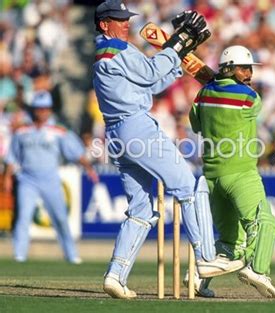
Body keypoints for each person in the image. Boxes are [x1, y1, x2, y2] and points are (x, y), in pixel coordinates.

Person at [92, 1, 243, 299]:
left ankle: (115, 275)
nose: (125, 24)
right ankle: (206, 259)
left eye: (126, 19)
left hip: (118, 134)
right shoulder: (114, 49)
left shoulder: (110, 53)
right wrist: (175, 46)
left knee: (141, 209)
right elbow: (150, 73)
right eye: (118, 19)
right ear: (103, 24)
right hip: (136, 127)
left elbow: (151, 83)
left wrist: (178, 56)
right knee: (189, 186)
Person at [189, 45, 275, 298]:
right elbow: (253, 106)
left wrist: (213, 86)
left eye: (250, 68)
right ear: (229, 69)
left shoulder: (202, 95)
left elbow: (195, 124)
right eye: (243, 68)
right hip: (241, 173)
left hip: (212, 178)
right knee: (265, 224)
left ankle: (197, 279)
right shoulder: (249, 97)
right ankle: (258, 270)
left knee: (230, 243)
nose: (249, 73)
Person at [3, 90, 99, 264]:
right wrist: (8, 177)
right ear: (34, 109)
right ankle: (19, 254)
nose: (42, 112)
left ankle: (71, 255)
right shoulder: (22, 131)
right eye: (39, 108)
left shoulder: (58, 131)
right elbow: (12, 157)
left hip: (50, 179)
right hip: (27, 179)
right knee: (23, 217)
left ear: (50, 110)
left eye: (45, 108)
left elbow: (75, 152)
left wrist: (89, 168)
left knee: (60, 217)